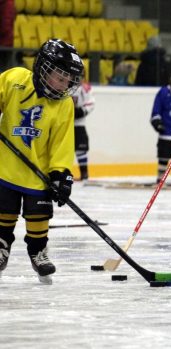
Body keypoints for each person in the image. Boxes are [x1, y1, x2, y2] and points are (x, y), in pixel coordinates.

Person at [0, 39, 84, 284]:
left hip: (40, 173)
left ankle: (37, 250)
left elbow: (62, 143)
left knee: (39, 214)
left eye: (69, 79)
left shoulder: (64, 104)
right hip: (6, 167)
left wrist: (61, 175)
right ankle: (2, 244)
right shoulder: (15, 79)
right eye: (60, 77)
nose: (65, 84)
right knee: (4, 210)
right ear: (43, 68)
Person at [71, 79, 95, 181]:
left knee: (81, 148)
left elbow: (90, 103)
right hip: (63, 123)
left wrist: (81, 111)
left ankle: (84, 173)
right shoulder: (63, 83)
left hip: (79, 124)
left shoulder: (85, 87)